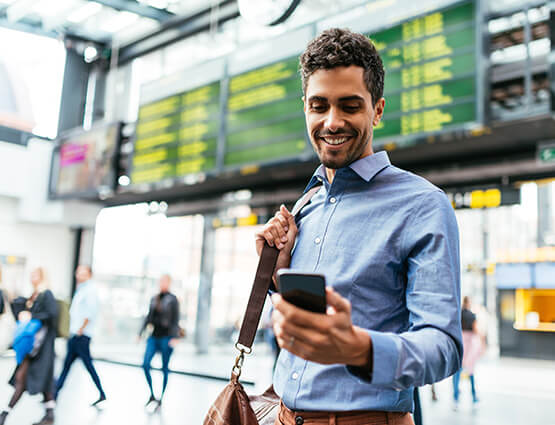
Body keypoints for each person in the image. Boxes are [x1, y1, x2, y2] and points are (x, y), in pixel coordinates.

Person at [254, 28, 462, 425]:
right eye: (319, 106)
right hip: (281, 415)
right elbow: (308, 327)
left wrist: (359, 349)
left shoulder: (422, 205)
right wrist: (277, 272)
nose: (332, 122)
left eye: (349, 106)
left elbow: (444, 347)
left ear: (377, 110)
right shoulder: (306, 205)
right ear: (306, 108)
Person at [0, 267, 59, 425]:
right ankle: (49, 415)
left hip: (40, 349)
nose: (32, 278)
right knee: (39, 383)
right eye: (32, 275)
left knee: (25, 380)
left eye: (36, 275)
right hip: (31, 348)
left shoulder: (46, 294)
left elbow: (51, 315)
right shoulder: (35, 295)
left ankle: (4, 414)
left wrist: (31, 315)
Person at [55, 265, 106, 406]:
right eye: (78, 272)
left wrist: (80, 330)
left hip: (81, 336)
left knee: (87, 366)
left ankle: (101, 392)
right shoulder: (82, 289)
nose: (78, 274)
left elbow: (90, 313)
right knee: (67, 365)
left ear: (89, 274)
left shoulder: (90, 291)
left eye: (82, 273)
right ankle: (54, 393)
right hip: (76, 334)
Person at [138, 274, 180, 409]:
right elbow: (148, 317)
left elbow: (176, 319)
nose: (162, 283)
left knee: (164, 367)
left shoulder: (173, 299)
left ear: (169, 283)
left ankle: (161, 397)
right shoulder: (154, 298)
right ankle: (152, 394)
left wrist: (175, 337)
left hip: (167, 337)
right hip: (154, 336)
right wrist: (140, 332)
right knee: (145, 364)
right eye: (160, 281)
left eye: (165, 281)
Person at [453, 296, 482, 407]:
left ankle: (455, 398)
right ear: (469, 303)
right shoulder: (472, 315)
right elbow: (476, 330)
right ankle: (474, 397)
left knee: (457, 371)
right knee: (471, 370)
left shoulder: (458, 315)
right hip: (470, 344)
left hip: (460, 342)